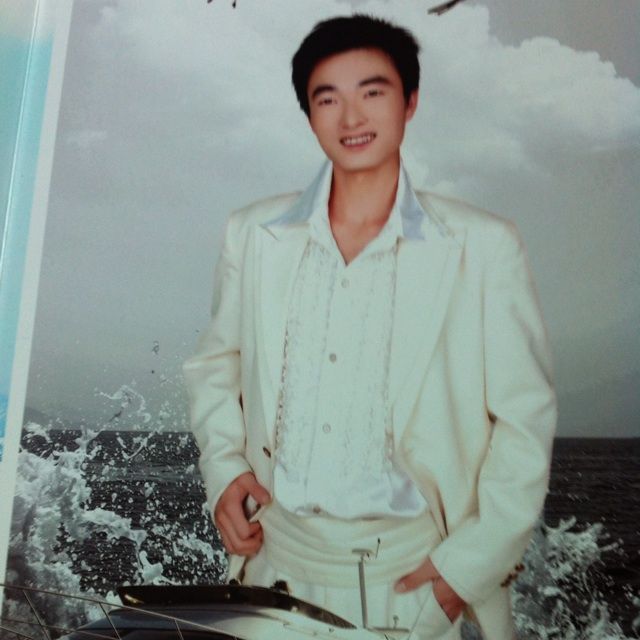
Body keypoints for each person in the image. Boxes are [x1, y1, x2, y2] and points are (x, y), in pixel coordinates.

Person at [183, 14, 556, 639]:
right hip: (274, 571)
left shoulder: (483, 245)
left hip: (414, 582)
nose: (351, 117)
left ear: (410, 102)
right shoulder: (253, 235)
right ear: (308, 114)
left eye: (372, 92)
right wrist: (223, 469)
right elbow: (216, 365)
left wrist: (462, 572)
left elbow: (524, 421)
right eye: (327, 98)